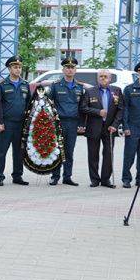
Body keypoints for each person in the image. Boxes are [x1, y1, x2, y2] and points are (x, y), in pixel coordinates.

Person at [80, 70, 123, 188]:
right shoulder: (89, 91)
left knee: (108, 154)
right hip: (94, 127)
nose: (103, 78)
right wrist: (98, 112)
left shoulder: (117, 91)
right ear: (97, 79)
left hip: (110, 128)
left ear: (110, 79)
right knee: (93, 154)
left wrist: (115, 125)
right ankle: (94, 179)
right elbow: (83, 108)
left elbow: (120, 110)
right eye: (101, 76)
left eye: (106, 76)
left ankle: (105, 179)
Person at [48, 57, 86, 186]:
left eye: (72, 67)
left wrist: (81, 124)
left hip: (73, 123)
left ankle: (67, 177)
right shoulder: (55, 86)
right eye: (67, 67)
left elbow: (82, 108)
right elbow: (48, 104)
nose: (70, 70)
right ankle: (55, 176)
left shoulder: (80, 87)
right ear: (63, 70)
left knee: (69, 151)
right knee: (57, 150)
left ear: (75, 70)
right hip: (59, 123)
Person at [0, 56, 31, 186]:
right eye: (15, 67)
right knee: (1, 151)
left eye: (20, 67)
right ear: (9, 69)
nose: (18, 69)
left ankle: (17, 176)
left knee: (19, 151)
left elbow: (29, 104)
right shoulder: (2, 85)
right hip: (6, 123)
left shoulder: (25, 84)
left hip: (21, 123)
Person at [122, 60, 140, 189]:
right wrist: (126, 127)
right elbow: (125, 109)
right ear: (139, 72)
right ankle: (126, 179)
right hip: (133, 127)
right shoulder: (129, 89)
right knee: (129, 155)